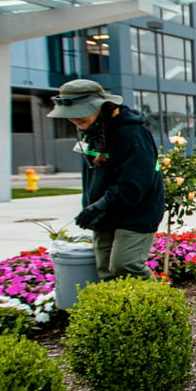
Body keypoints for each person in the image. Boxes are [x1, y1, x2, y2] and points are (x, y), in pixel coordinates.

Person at [47, 79, 165, 280]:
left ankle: (163, 307)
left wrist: (102, 204)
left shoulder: (131, 133)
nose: (74, 120)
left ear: (100, 107)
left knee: (125, 264)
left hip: (136, 210)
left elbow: (135, 183)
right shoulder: (91, 131)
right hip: (105, 211)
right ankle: (119, 311)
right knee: (105, 269)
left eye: (79, 114)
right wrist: (92, 206)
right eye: (70, 116)